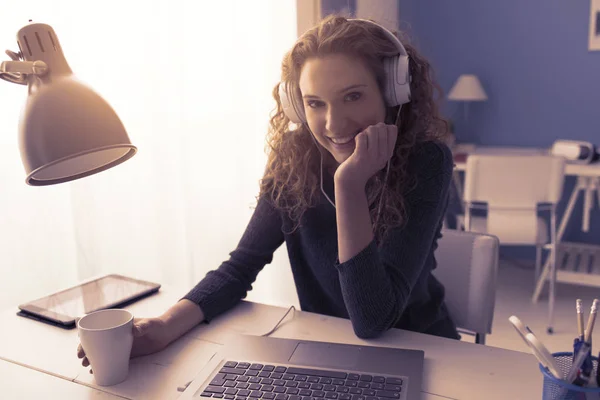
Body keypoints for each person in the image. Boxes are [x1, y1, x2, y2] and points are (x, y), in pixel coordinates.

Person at [77, 14, 459, 369]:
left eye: (353, 96)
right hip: (328, 351)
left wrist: (348, 183)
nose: (333, 123)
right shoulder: (295, 157)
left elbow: (374, 319)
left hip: (423, 352)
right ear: (297, 104)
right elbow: (242, 265)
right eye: (315, 103)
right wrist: (161, 327)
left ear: (392, 93)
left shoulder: (426, 161)